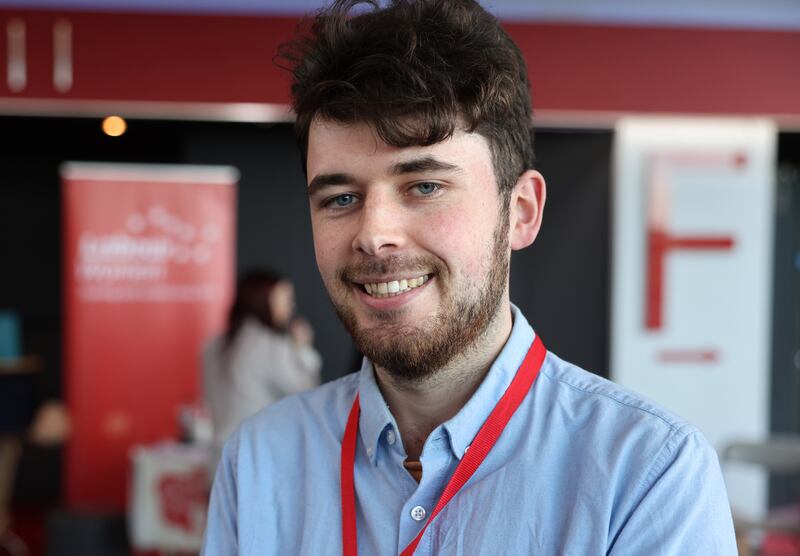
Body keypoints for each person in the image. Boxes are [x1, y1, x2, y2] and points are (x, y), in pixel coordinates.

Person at [202, 1, 738, 554]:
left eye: (425, 186)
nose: (374, 234)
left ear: (522, 211)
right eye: (341, 198)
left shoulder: (648, 475)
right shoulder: (260, 462)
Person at [202, 270, 321, 453]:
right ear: (265, 299)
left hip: (219, 451)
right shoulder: (270, 345)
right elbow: (308, 392)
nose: (291, 306)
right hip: (257, 451)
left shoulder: (213, 346)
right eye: (285, 298)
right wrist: (302, 350)